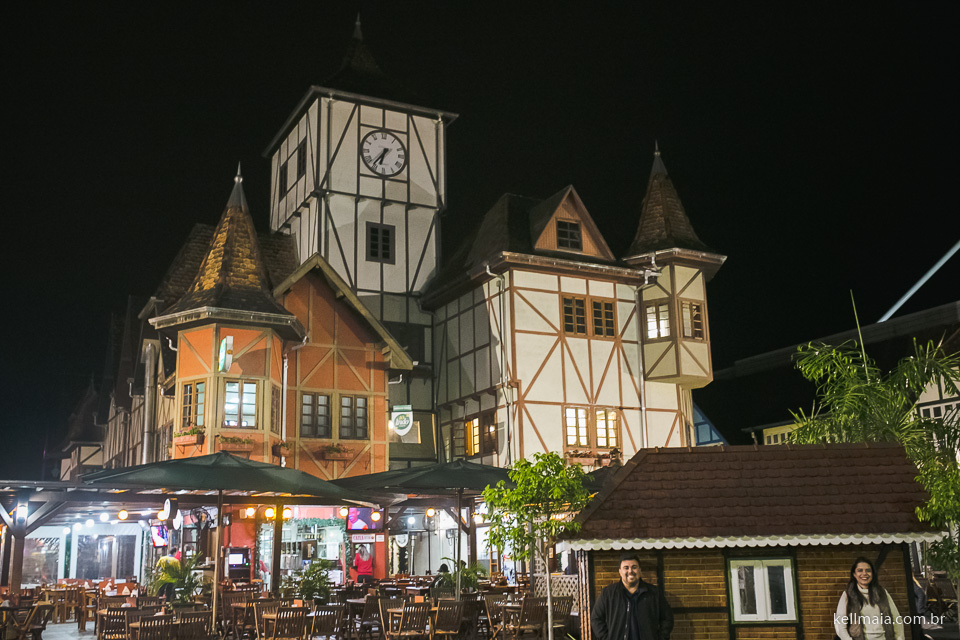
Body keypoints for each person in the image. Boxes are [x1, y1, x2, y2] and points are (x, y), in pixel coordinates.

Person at [592, 553, 673, 640]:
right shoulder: (608, 594)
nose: (630, 571)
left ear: (640, 570)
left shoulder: (654, 593)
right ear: (620, 571)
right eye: (626, 568)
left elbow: (667, 618)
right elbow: (596, 619)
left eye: (634, 567)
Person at [834, 557, 905, 640]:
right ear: (854, 574)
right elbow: (840, 626)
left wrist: (900, 638)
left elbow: (897, 619)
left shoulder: (882, 592)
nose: (864, 573)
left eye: (868, 570)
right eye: (860, 570)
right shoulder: (847, 595)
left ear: (872, 574)